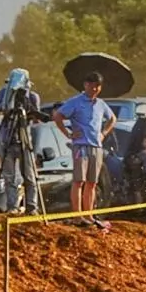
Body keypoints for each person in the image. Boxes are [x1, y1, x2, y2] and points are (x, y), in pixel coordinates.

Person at [53, 72, 116, 231]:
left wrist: (104, 133)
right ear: (85, 85)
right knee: (78, 181)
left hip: (96, 146)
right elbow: (58, 116)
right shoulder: (75, 101)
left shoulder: (101, 104)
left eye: (97, 86)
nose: (94, 88)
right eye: (91, 85)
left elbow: (113, 118)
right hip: (80, 145)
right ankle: (77, 215)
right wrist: (68, 133)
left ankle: (89, 214)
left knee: (92, 182)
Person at [0, 68, 46, 214]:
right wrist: (7, 107)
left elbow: (36, 116)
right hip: (7, 138)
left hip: (24, 139)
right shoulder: (5, 94)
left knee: (29, 175)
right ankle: (12, 206)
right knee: (9, 176)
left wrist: (27, 111)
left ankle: (32, 207)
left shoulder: (32, 97)